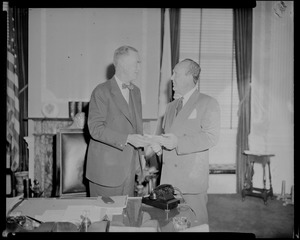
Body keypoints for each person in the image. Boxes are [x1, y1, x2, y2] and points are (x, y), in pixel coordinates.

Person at [147, 59, 221, 225]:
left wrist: (178, 142)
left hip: (191, 183)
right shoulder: (170, 107)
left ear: (189, 76)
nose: (171, 78)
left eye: (176, 74)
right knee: (168, 225)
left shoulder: (208, 103)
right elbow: (169, 140)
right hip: (168, 183)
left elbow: (211, 137)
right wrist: (159, 148)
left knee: (195, 226)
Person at [86, 45, 149, 197]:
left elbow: (137, 127)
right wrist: (127, 138)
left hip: (129, 169)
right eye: (136, 63)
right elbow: (95, 129)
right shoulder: (101, 91)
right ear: (123, 65)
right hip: (106, 171)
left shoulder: (136, 92)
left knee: (124, 217)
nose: (139, 68)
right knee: (104, 218)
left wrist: (141, 159)